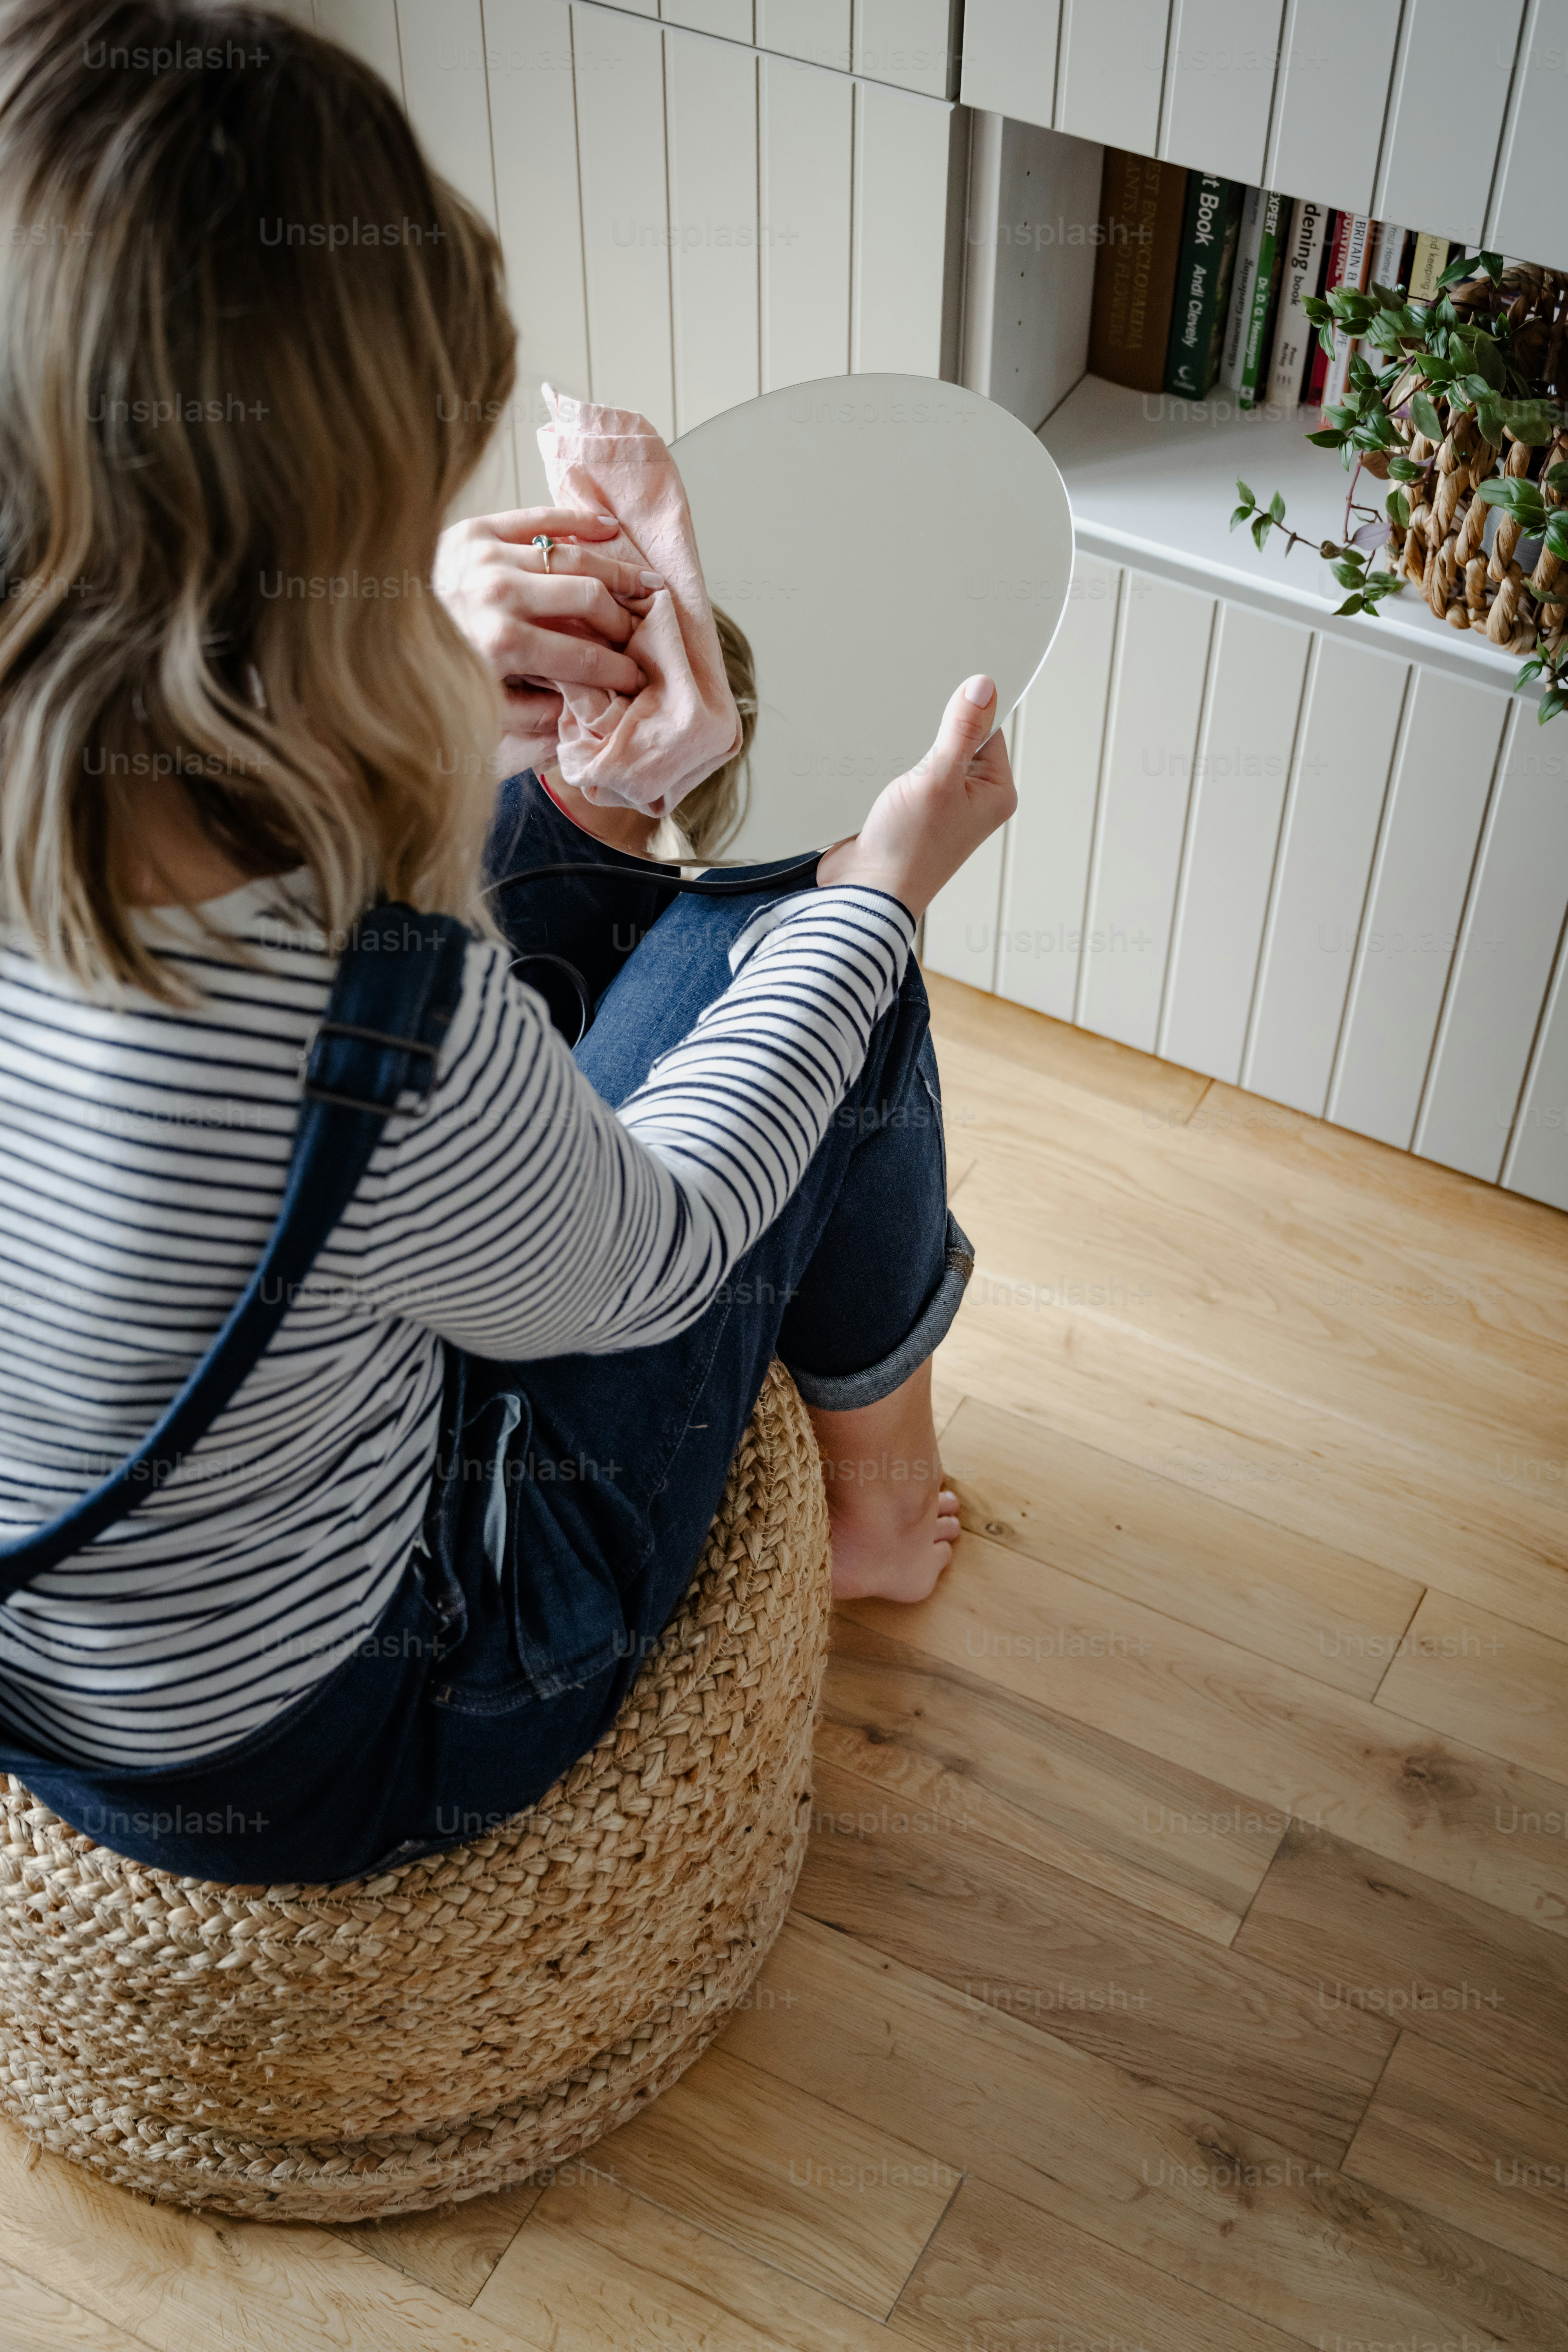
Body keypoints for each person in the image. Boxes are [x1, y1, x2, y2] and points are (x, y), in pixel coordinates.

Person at [0, 0, 1015, 1886]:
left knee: (575, 845)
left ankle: (666, 815)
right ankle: (874, 1513)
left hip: (67, 1668)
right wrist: (869, 894)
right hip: (375, 1715)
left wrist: (434, 678)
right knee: (805, 953)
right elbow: (658, 1256)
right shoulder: (332, 1008)